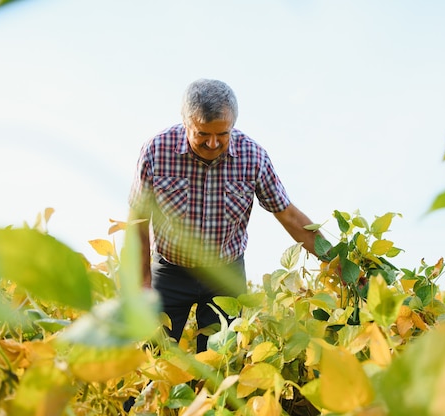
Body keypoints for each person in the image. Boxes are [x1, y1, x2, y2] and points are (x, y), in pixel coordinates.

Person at [128, 79, 319, 352]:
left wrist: (336, 260)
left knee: (221, 361)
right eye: (202, 134)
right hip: (170, 270)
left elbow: (289, 215)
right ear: (186, 124)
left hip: (225, 273)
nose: (213, 143)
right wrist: (143, 283)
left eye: (223, 134)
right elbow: (138, 219)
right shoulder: (156, 151)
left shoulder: (252, 158)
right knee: (152, 354)